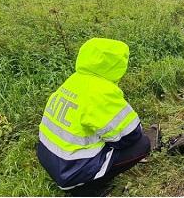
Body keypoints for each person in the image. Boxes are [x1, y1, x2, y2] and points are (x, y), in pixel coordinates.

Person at [36, 38, 150, 196]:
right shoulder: (101, 92)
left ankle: (84, 180)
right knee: (142, 144)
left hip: (49, 158)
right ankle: (88, 188)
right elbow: (131, 135)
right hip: (70, 171)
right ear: (116, 65)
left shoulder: (74, 81)